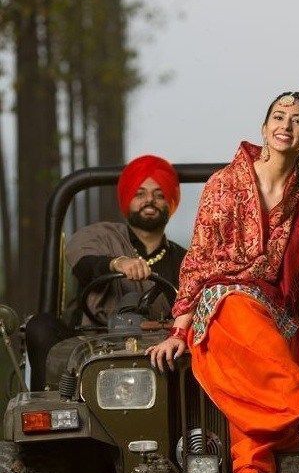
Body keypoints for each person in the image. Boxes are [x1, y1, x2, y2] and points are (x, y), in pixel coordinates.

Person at [147, 92, 299, 473]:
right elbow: (199, 258)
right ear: (264, 126)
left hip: (285, 305)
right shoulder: (225, 182)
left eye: (298, 120)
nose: (286, 125)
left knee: (249, 357)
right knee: (236, 306)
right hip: (223, 296)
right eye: (278, 116)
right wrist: (179, 328)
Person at [26, 154, 186, 390]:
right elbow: (84, 264)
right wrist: (117, 263)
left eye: (159, 195)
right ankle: (51, 405)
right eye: (140, 194)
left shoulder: (186, 259)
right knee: (40, 326)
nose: (149, 201)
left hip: (162, 351)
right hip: (93, 344)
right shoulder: (99, 236)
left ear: (170, 203)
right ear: (127, 198)